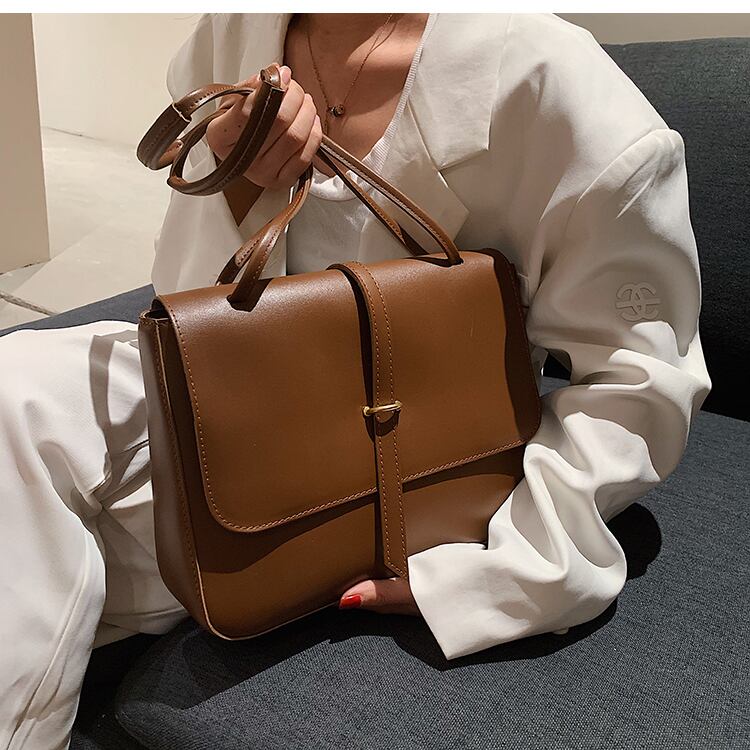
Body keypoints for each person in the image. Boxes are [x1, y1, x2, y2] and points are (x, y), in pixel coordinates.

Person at [0, 13, 711, 749]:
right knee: (15, 391)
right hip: (230, 401)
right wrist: (237, 181)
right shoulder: (234, 32)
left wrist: (503, 570)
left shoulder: (550, 83)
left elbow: (638, 377)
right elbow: (185, 308)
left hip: (405, 458)